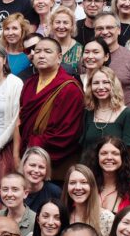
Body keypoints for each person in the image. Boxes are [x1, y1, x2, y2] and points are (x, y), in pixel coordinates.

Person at [18, 37, 85, 168]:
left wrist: (34, 146)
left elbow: (68, 131)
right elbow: (22, 122)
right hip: (27, 156)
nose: (41, 55)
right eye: (37, 51)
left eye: (48, 51)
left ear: (59, 57)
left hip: (55, 162)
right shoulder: (29, 84)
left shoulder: (69, 88)